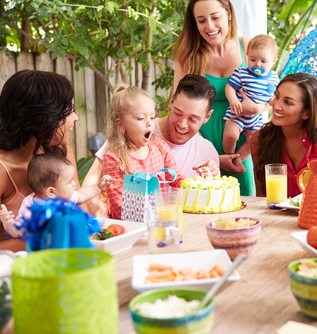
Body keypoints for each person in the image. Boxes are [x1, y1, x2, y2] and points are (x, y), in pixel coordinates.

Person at [84, 74, 220, 217]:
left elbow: (177, 179)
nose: (182, 124)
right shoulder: (120, 146)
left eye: (193, 119)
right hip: (132, 222)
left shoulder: (162, 148)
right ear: (171, 101)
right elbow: (108, 196)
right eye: (178, 113)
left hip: (162, 222)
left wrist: (203, 183)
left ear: (207, 117)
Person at [173, 0, 270, 196]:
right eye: (201, 20)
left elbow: (270, 92)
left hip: (241, 143)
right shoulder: (189, 56)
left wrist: (259, 109)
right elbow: (176, 109)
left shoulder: (246, 46)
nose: (209, 26)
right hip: (202, 141)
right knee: (206, 203)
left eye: (215, 17)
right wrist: (212, 156)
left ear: (229, 14)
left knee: (245, 202)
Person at [0, 70, 80, 251]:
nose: (75, 118)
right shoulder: (2, 170)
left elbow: (81, 211)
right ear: (45, 117)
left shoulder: (60, 153)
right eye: (69, 111)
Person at [102, 85, 186, 220]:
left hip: (158, 223)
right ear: (121, 125)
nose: (149, 124)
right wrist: (147, 218)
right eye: (141, 118)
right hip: (130, 228)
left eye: (152, 117)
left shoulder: (160, 148)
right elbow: (117, 203)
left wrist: (196, 186)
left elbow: (176, 179)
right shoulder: (114, 157)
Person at [0, 154, 112, 237]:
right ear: (51, 192)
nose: (74, 184)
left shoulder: (66, 198)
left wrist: (98, 187)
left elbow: (82, 195)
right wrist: (10, 224)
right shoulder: (32, 205)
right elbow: (20, 229)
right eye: (69, 182)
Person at [251, 73, 317, 198]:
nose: (276, 105)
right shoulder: (259, 139)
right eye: (277, 96)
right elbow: (262, 197)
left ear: (307, 113)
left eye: (288, 102)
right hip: (276, 216)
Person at [223, 34, 280, 172]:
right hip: (237, 113)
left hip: (256, 119)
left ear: (273, 61)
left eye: (263, 61)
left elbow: (274, 98)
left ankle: (238, 159)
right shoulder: (241, 72)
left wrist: (274, 102)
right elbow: (230, 87)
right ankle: (229, 156)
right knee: (230, 135)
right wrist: (233, 100)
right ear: (247, 55)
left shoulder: (274, 78)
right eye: (253, 59)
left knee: (255, 142)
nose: (257, 64)